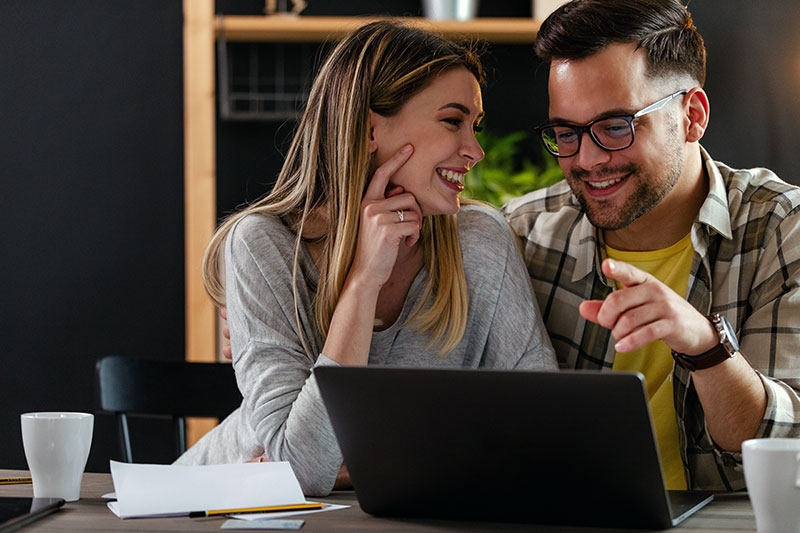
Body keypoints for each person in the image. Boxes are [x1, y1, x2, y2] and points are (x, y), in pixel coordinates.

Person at [175, 20, 557, 496]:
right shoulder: (263, 245)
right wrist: (362, 283)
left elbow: (544, 429)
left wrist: (373, 462)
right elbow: (303, 471)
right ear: (371, 128)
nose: (475, 150)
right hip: (211, 507)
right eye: (453, 121)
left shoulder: (480, 241)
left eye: (475, 126)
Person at [504, 0, 800, 492]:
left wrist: (704, 345)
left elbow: (785, 439)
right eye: (566, 133)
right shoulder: (524, 233)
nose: (588, 159)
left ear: (692, 116)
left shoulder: (781, 229)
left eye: (616, 127)